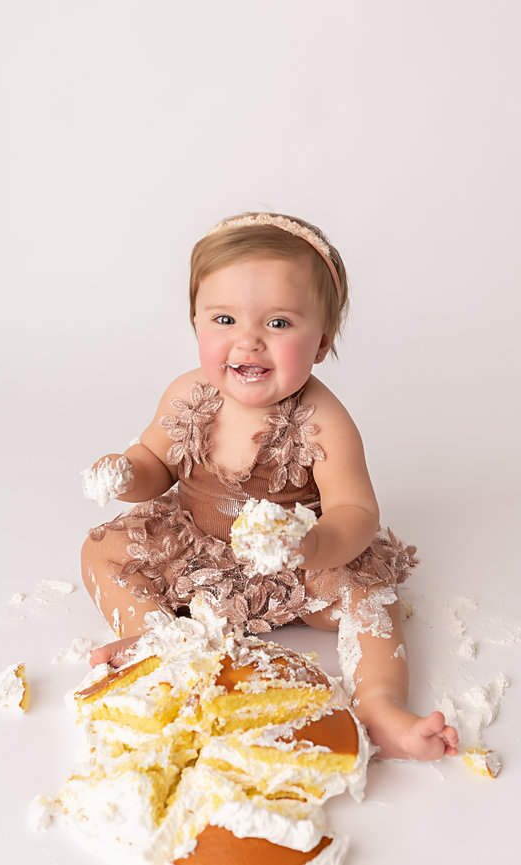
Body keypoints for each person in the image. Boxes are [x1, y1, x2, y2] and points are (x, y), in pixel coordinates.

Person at [81, 212, 458, 762]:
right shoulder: (188, 395)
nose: (249, 342)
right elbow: (155, 464)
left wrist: (313, 545)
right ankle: (159, 640)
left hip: (296, 562)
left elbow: (355, 509)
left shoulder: (322, 419)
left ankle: (380, 705)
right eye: (225, 319)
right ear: (195, 323)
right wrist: (126, 473)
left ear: (322, 340)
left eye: (278, 324)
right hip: (194, 546)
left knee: (371, 598)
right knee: (102, 550)